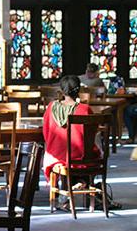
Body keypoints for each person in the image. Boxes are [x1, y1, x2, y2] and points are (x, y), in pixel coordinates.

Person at [42, 75, 117, 209]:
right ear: (79, 90)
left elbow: (46, 133)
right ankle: (84, 186)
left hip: (56, 157)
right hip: (82, 158)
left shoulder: (51, 107)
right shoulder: (84, 109)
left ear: (61, 90)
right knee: (89, 153)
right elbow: (91, 134)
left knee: (69, 155)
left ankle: (67, 194)